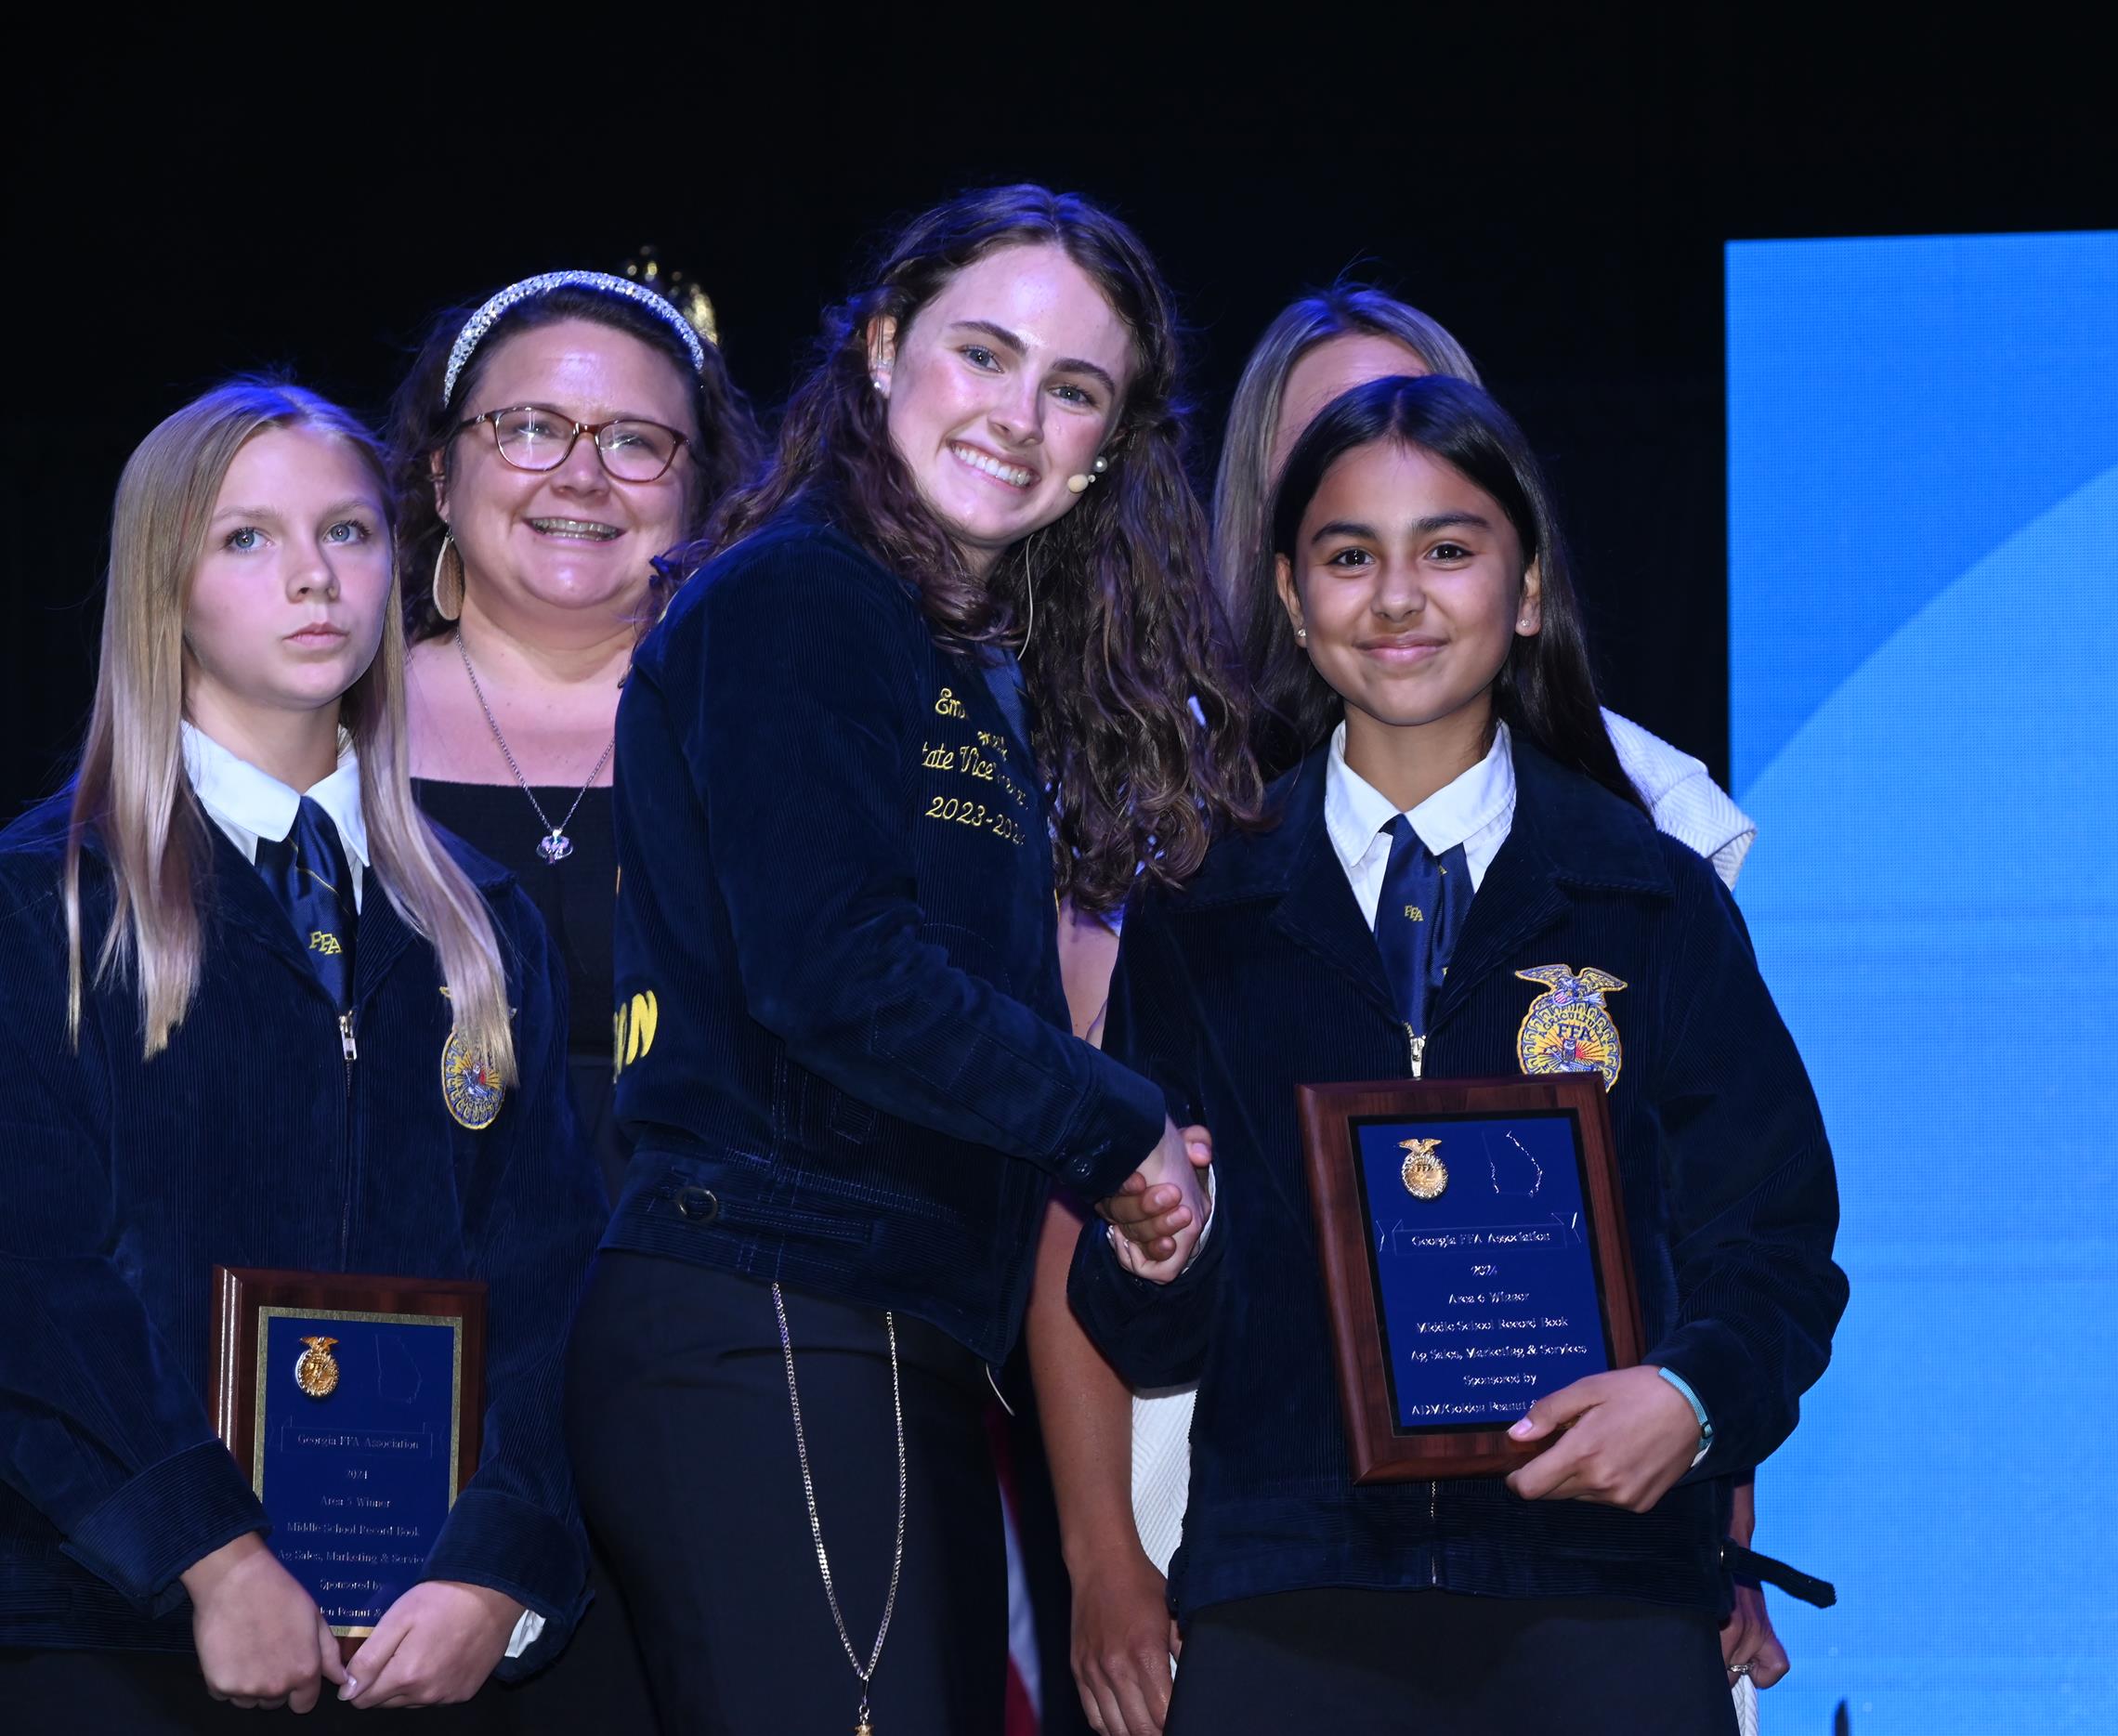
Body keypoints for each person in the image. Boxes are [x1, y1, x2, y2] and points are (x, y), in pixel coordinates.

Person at [1028, 286, 1773, 1736]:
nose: (1398, 588)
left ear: (1521, 569)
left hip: (1596, 1576)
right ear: (1289, 572)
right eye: (1349, 539)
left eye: (1444, 539)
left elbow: (1742, 1229)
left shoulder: (1649, 864)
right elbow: (1113, 1258)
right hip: (1275, 1566)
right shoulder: (1189, 867)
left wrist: (1700, 1434)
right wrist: (1154, 1268)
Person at [564, 186, 1260, 1736]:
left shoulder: (950, 646)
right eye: (983, 353)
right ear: (884, 347)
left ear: (1109, 445)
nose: (1016, 415)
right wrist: (1119, 1126)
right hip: (775, 1307)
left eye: (1072, 389)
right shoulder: (801, 593)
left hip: (880, 1330)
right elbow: (834, 971)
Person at [0, 381, 606, 1728]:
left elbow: (549, 1281)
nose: (314, 576)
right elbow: (31, 1277)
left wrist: (494, 1568)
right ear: (163, 586)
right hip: (104, 1626)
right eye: (247, 539)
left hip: (409, 1642)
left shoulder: (484, 922)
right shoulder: (47, 902)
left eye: (346, 531)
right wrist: (211, 1552)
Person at [386, 268, 763, 1200]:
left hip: (693, 1267)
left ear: (701, 494)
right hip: (381, 1269)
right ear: (441, 477)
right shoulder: (327, 725)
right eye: (529, 428)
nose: (583, 476)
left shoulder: (772, 739)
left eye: (636, 441)